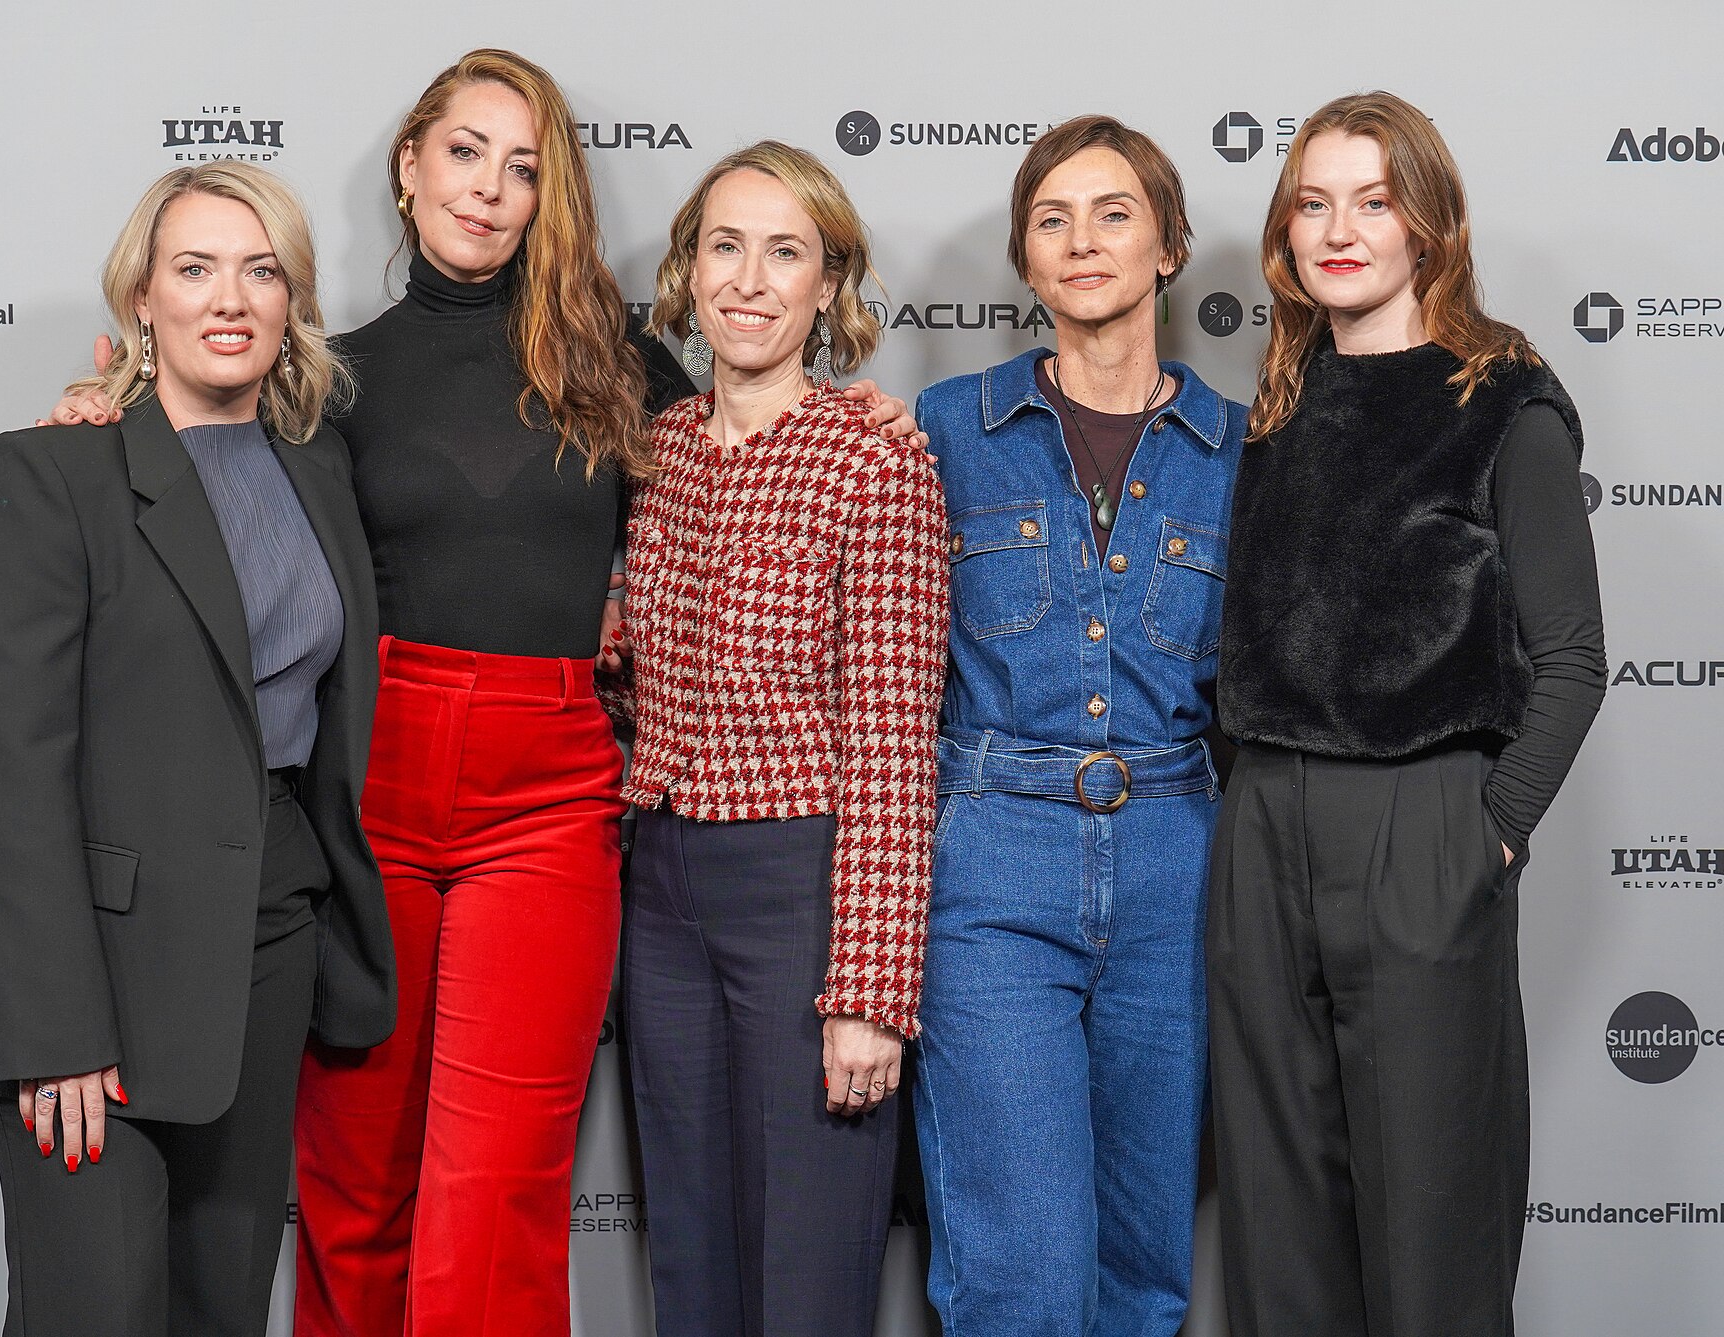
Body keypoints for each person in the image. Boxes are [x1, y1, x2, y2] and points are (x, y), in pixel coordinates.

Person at [41, 50, 920, 1337]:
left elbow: (751, 433)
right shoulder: (327, 374)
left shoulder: (611, 354)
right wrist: (103, 403)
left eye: (524, 169)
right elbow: (199, 432)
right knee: (353, 1186)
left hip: (551, 793)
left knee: (491, 1185)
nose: (491, 191)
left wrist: (885, 424)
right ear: (409, 167)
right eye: (465, 154)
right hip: (369, 781)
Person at [0, 163, 395, 1337]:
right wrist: (54, 1031)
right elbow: (14, 773)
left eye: (259, 268)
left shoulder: (320, 468)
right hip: (95, 973)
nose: (227, 297)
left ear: (292, 301)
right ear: (141, 297)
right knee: (97, 1313)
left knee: (220, 1310)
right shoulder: (50, 473)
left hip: (267, 944)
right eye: (194, 268)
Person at [1209, 91, 1605, 1337]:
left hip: (1424, 815)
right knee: (1279, 1227)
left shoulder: (1506, 400)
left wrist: (1485, 831)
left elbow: (1576, 659)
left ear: (1427, 224)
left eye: (1372, 201)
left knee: (1434, 1231)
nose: (1339, 229)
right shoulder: (1279, 401)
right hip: (1266, 818)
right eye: (1313, 203)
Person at [907, 116, 1244, 1336]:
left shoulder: (1241, 453)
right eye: (1052, 219)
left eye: (1113, 213)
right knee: (1023, 1275)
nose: (1082, 239)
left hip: (1177, 868)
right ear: (1026, 259)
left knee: (1144, 1271)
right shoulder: (943, 431)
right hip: (993, 862)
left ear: (1168, 247)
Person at [610, 141, 948, 1337]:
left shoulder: (875, 453)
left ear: (828, 284)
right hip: (661, 884)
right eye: (725, 246)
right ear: (688, 273)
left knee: (807, 1264)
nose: (749, 280)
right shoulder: (656, 452)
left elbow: (900, 736)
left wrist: (869, 986)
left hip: (803, 881)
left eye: (785, 251)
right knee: (690, 1257)